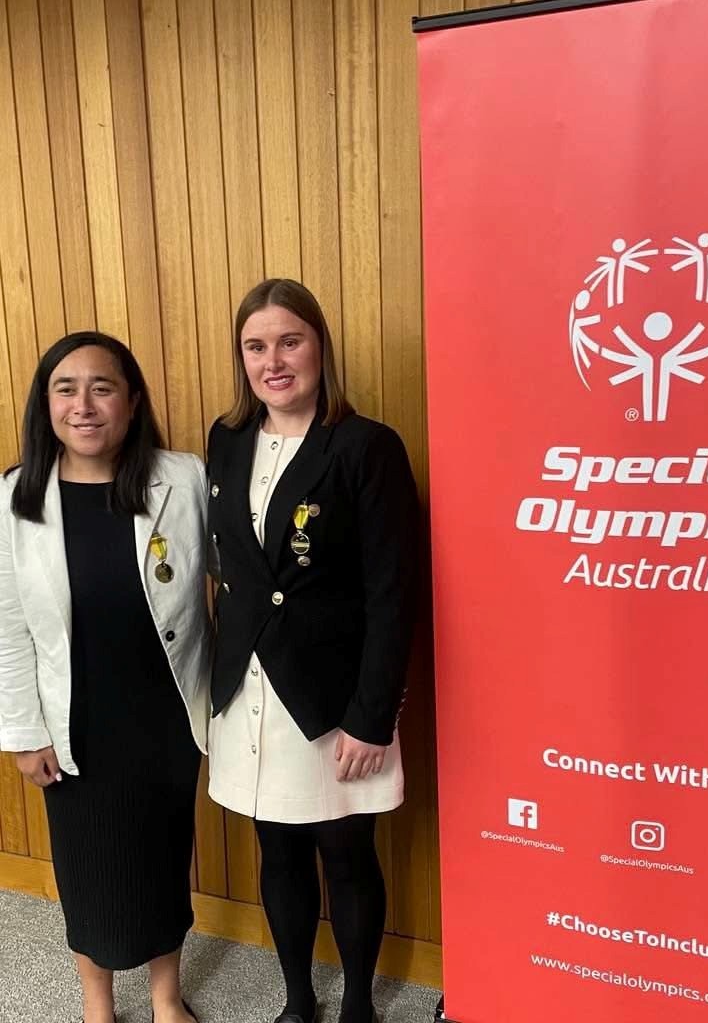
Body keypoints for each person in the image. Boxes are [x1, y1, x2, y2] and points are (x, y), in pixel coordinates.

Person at [206, 279, 418, 1023]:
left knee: (346, 851)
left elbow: (394, 594)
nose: (273, 362)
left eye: (289, 341)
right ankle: (298, 1000)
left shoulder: (366, 446)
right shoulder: (227, 439)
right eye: (255, 346)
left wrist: (372, 717)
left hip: (334, 700)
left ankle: (358, 1004)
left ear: (320, 347)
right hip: (248, 690)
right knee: (278, 851)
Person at [0, 332, 211, 1023]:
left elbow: (232, 572)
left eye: (102, 387)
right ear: (46, 404)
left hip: (165, 713)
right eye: (65, 389)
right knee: (86, 870)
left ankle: (166, 996)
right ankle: (97, 1004)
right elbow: (7, 628)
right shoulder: (15, 498)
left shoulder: (182, 478)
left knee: (163, 859)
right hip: (74, 719)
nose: (83, 405)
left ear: (132, 400)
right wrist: (24, 734)